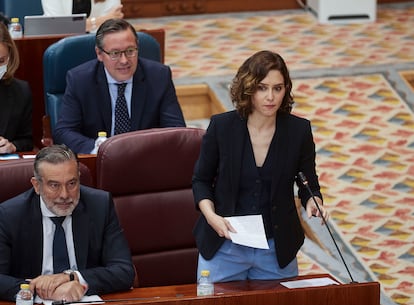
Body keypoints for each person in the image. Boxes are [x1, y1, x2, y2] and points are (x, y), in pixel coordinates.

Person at [192, 50, 329, 283]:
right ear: (248, 89)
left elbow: (307, 182)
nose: (271, 97)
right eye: (262, 88)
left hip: (275, 250)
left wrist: (313, 201)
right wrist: (211, 216)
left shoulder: (298, 131)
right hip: (225, 245)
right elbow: (201, 180)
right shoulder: (222, 127)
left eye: (278, 88)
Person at [0, 144, 135, 302]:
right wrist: (40, 291)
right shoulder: (10, 215)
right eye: (54, 185)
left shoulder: (100, 205)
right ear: (37, 185)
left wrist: (72, 278)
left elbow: (124, 271)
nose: (64, 195)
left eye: (71, 183)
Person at [53, 18, 186, 154]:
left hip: (145, 159)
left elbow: (176, 130)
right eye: (115, 53)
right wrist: (98, 149)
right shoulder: (80, 80)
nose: (124, 61)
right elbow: (64, 131)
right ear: (99, 54)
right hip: (99, 163)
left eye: (130, 51)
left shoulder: (158, 76)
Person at [0, 23, 33, 154]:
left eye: (1, 61)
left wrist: (12, 146)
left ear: (10, 57)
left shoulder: (20, 91)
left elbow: (27, 140)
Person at [41, 0, 124, 33]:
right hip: (61, 45)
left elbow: (111, 25)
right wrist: (97, 21)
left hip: (97, 44)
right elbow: (56, 26)